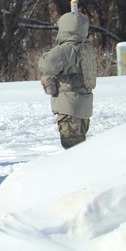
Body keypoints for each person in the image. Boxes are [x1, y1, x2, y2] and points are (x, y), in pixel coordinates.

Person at [38, 9, 96, 149]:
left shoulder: (68, 49)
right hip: (84, 107)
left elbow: (45, 64)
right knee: (80, 146)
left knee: (72, 149)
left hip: (69, 107)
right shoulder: (86, 48)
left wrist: (54, 49)